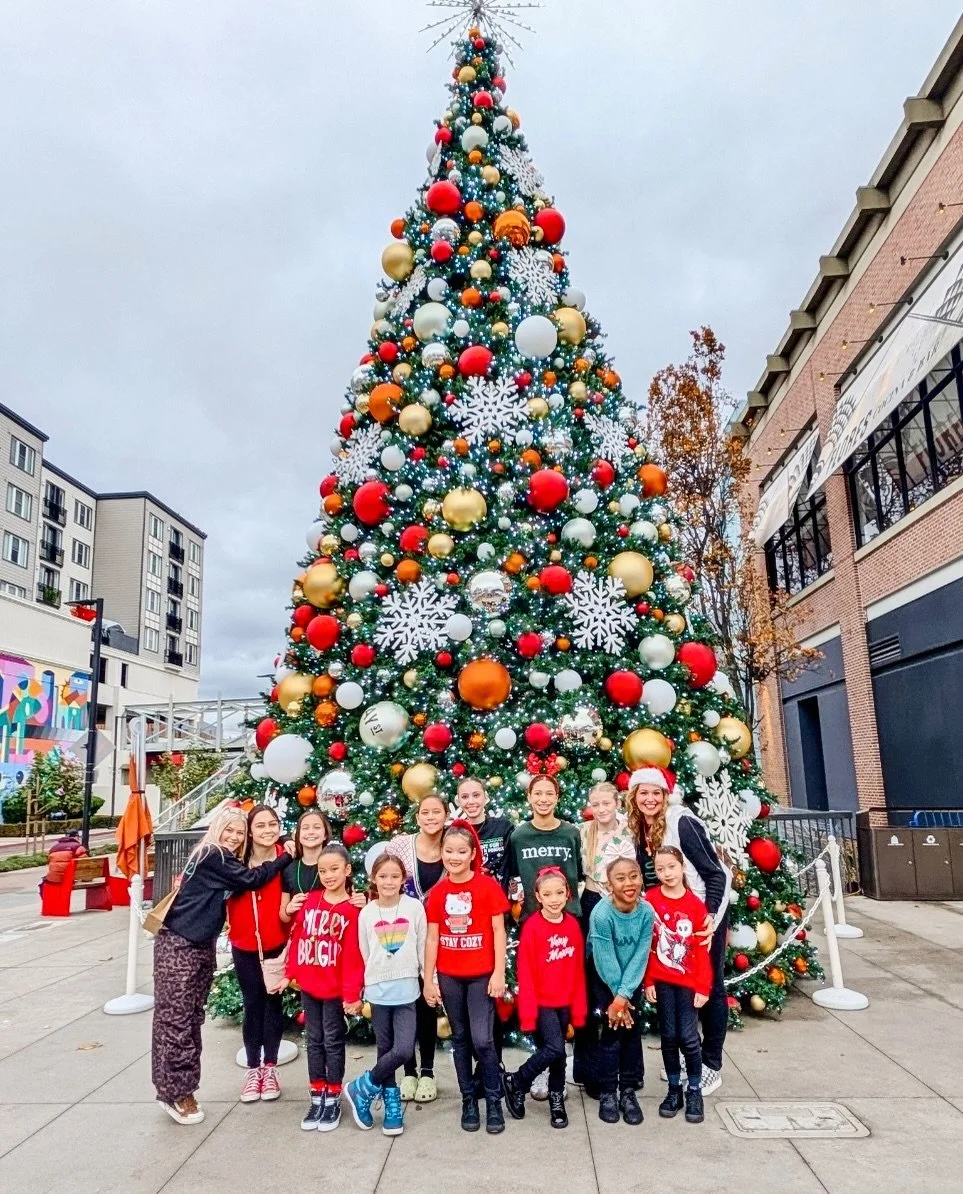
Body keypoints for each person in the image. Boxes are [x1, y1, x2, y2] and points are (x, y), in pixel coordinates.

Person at [152, 806, 292, 1126]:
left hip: (197, 944)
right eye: (229, 829)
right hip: (180, 945)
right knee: (177, 1022)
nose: (234, 837)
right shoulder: (213, 854)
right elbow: (253, 878)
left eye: (239, 832)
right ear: (216, 829)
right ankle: (177, 1093)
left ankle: (174, 1089)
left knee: (187, 1020)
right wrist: (286, 855)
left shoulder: (218, 859)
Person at [627, 765, 730, 1096]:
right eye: (643, 792)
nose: (650, 799)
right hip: (671, 917)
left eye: (656, 792)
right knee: (679, 984)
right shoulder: (640, 827)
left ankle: (711, 1064)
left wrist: (710, 918)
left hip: (701, 913)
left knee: (709, 986)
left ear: (665, 795)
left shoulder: (680, 822)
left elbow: (716, 874)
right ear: (633, 797)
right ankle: (691, 1058)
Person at [424, 821, 509, 1135]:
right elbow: (432, 938)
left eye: (461, 851)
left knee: (483, 1041)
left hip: (481, 976)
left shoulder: (487, 887)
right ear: (442, 854)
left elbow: (499, 931)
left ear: (473, 854)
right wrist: (428, 980)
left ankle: (494, 1100)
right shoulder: (439, 893)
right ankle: (468, 1100)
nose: (454, 857)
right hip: (449, 976)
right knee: (460, 1040)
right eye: (449, 851)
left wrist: (499, 972)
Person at [345, 853, 427, 1137]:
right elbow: (365, 952)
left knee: (403, 1049)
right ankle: (391, 1104)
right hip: (379, 992)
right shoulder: (367, 913)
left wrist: (429, 980)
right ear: (373, 879)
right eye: (383, 876)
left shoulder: (414, 907)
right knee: (385, 1048)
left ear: (403, 879)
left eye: (394, 876)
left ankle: (363, 1085)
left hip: (407, 991)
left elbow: (422, 945)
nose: (389, 882)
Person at [285, 842, 364, 1133]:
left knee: (332, 1041)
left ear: (347, 870)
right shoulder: (310, 901)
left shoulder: (352, 910)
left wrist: (351, 993)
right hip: (309, 986)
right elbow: (298, 940)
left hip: (333, 990)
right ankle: (316, 1091)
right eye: (322, 870)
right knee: (314, 1040)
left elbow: (354, 957)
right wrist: (290, 973)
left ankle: (333, 1095)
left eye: (334, 869)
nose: (329, 875)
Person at [502, 867, 587, 1129]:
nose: (554, 899)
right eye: (547, 894)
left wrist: (578, 1008)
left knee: (559, 1055)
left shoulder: (572, 925)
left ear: (567, 894)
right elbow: (525, 973)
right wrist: (528, 1012)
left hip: (564, 1000)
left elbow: (577, 970)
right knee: (554, 1048)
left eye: (559, 893)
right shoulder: (533, 928)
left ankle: (555, 1098)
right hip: (542, 1002)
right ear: (537, 896)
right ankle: (517, 1080)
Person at [644, 846, 713, 1125]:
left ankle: (693, 1088)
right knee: (669, 1037)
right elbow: (648, 945)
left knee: (688, 1037)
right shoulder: (650, 900)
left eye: (671, 867)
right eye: (660, 869)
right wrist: (648, 980)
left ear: (681, 867)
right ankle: (674, 1088)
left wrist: (703, 987)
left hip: (687, 983)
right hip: (662, 981)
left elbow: (701, 950)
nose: (666, 873)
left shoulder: (695, 905)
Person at [226, 804, 289, 1104]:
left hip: (276, 943)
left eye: (272, 824)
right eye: (260, 825)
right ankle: (254, 1069)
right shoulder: (235, 859)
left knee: (273, 1003)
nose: (267, 830)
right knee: (253, 1004)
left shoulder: (287, 855)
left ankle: (271, 1067)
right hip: (245, 945)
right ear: (250, 830)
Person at [386, 793, 447, 1103]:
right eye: (425, 812)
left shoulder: (452, 846)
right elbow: (385, 879)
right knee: (404, 1002)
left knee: (426, 1004)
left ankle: (427, 1071)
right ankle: (408, 1071)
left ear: (445, 815)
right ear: (418, 816)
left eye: (436, 811)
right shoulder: (400, 845)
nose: (430, 817)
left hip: (437, 937)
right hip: (403, 936)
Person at [587, 857, 654, 1126]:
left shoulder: (647, 912)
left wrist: (625, 996)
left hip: (630, 979)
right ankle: (607, 1092)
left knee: (631, 1032)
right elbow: (604, 958)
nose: (629, 883)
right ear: (609, 884)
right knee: (611, 1033)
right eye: (620, 878)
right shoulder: (601, 915)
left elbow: (640, 954)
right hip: (605, 978)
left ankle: (628, 1090)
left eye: (633, 876)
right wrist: (616, 1000)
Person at [505, 775, 583, 922]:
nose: (543, 799)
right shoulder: (519, 836)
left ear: (557, 797)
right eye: (538, 793)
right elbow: (515, 875)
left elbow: (578, 872)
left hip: (568, 917)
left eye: (549, 794)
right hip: (532, 918)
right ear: (529, 797)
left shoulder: (571, 833)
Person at [455, 775, 513, 883]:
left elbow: (512, 864)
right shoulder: (455, 832)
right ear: (458, 801)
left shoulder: (503, 828)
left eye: (476, 795)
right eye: (465, 797)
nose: (471, 801)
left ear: (485, 797)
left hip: (499, 895)